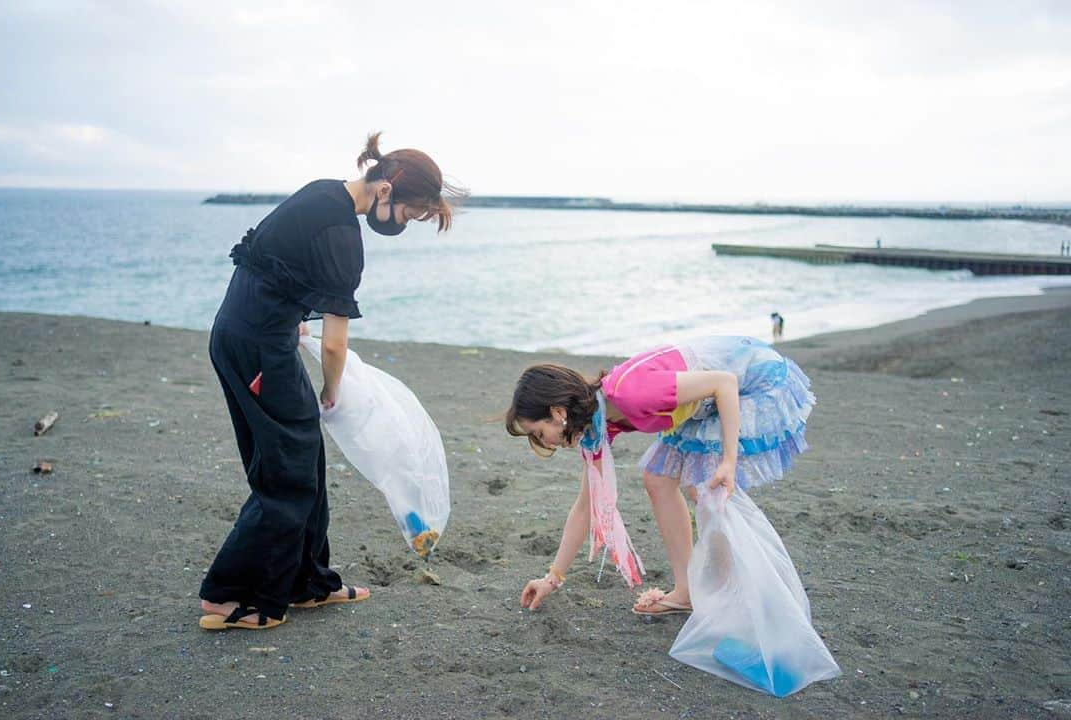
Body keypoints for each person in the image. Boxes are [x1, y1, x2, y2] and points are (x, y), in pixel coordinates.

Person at [198, 132, 461, 630]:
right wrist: (332, 388)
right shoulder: (343, 234)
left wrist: (293, 314)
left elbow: (274, 265)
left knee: (302, 461)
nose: (402, 224)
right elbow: (336, 343)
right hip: (258, 350)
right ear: (386, 191)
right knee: (288, 477)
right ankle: (228, 595)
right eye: (408, 214)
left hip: (245, 335)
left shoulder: (321, 192)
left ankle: (309, 582)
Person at [506, 336, 815, 615]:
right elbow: (585, 506)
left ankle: (739, 594)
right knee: (658, 479)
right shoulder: (596, 427)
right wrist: (552, 578)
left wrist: (728, 462)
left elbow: (724, 383)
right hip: (701, 403)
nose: (545, 442)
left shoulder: (632, 394)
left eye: (538, 431)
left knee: (706, 486)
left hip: (754, 378)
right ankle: (687, 591)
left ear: (558, 412)